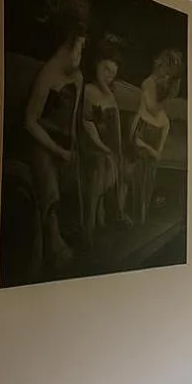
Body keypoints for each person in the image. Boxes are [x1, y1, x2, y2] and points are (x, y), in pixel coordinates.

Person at [23, 0, 89, 269]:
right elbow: (30, 122)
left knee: (76, 169)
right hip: (41, 141)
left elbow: (73, 118)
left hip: (62, 143)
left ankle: (75, 225)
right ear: (68, 46)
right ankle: (51, 237)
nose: (81, 55)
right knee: (46, 170)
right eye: (80, 49)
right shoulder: (49, 75)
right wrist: (57, 150)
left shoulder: (78, 78)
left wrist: (71, 147)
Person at [80, 33, 128, 244]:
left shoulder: (110, 94)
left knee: (120, 164)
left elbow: (115, 127)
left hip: (108, 146)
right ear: (97, 64)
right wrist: (103, 148)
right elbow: (87, 124)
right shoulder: (89, 91)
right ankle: (89, 225)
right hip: (90, 145)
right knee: (102, 165)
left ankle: (114, 212)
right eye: (106, 70)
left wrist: (117, 151)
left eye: (113, 74)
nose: (109, 76)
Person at [127, 48, 182, 225]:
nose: (167, 74)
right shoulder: (148, 83)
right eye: (166, 68)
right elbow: (152, 108)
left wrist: (169, 90)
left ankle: (142, 215)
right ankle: (137, 215)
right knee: (139, 174)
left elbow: (163, 116)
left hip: (156, 131)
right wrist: (167, 93)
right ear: (160, 65)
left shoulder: (162, 84)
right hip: (144, 128)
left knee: (150, 174)